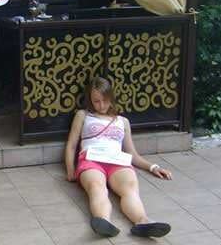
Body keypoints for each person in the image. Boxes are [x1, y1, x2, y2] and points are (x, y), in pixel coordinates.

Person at [64, 77, 173, 238]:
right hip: (91, 159)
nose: (101, 105)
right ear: (90, 100)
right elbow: (72, 144)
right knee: (97, 186)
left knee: (129, 188)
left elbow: (132, 155)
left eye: (105, 100)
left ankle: (143, 222)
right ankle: (102, 221)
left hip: (117, 161)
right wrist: (70, 170)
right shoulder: (83, 115)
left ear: (112, 98)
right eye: (97, 101)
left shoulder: (123, 121)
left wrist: (154, 167)